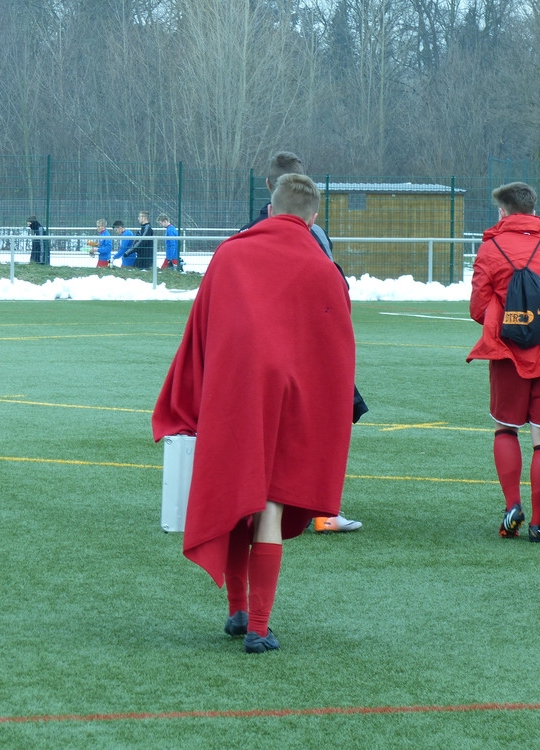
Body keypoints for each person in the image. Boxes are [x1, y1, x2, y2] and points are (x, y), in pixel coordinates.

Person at [152, 174, 356, 653]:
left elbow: (198, 334)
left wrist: (186, 399)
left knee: (236, 494)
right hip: (291, 401)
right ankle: (260, 626)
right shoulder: (323, 267)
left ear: (269, 209)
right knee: (269, 501)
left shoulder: (230, 254)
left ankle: (237, 610)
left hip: (234, 394)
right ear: (313, 217)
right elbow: (337, 355)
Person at [243, 150, 363, 534]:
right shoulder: (288, 233)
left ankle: (296, 505)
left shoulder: (250, 233)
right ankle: (295, 506)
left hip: (288, 348)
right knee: (306, 423)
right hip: (293, 348)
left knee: (302, 423)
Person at [467, 182, 540, 542]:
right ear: (534, 209)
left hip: (507, 354)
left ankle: (511, 507)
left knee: (506, 429)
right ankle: (539, 522)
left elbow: (477, 309)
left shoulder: (490, 249)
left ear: (502, 212)